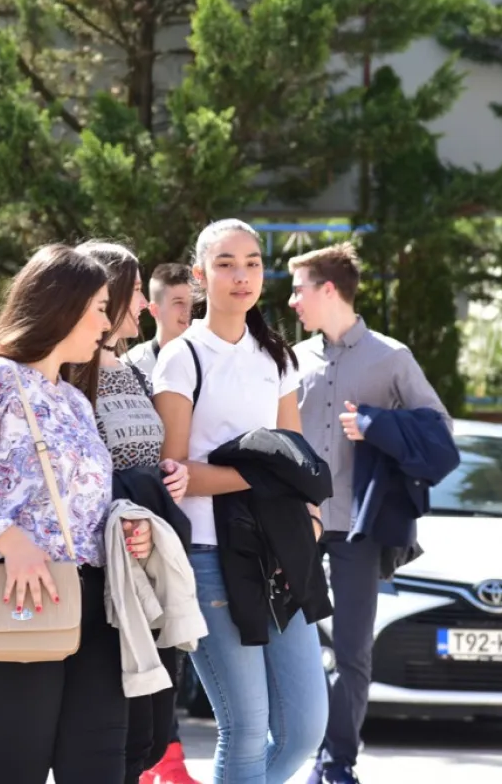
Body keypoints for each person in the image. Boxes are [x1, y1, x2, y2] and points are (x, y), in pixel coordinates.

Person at [0, 244, 138, 784]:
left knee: (100, 770)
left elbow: (78, 499)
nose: (107, 323)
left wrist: (125, 528)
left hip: (92, 605)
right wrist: (11, 540)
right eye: (101, 307)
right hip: (9, 599)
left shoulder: (73, 398)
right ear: (63, 306)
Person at [152, 219, 329, 784]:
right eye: (226, 263)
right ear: (201, 276)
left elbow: (295, 459)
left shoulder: (277, 357)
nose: (242, 275)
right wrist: (264, 477)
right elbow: (174, 475)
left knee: (304, 730)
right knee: (247, 729)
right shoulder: (182, 356)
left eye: (253, 262)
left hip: (281, 551)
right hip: (207, 556)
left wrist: (312, 515)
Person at [288, 243, 449, 784]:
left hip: (359, 529)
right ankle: (287, 749)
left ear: (328, 290)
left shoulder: (392, 358)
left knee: (352, 650)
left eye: (299, 289)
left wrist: (378, 424)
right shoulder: (292, 361)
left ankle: (336, 764)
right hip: (297, 525)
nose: (292, 302)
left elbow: (440, 436)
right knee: (290, 646)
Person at [66, 242, 194, 784]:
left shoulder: (136, 370)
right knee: (118, 739)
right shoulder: (72, 371)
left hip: (150, 569)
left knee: (149, 737)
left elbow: (148, 453)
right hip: (103, 577)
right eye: (138, 290)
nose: (144, 303)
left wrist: (175, 476)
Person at [124, 263, 194, 380]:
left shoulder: (212, 360)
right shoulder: (132, 366)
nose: (189, 310)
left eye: (193, 302)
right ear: (154, 310)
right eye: (179, 302)